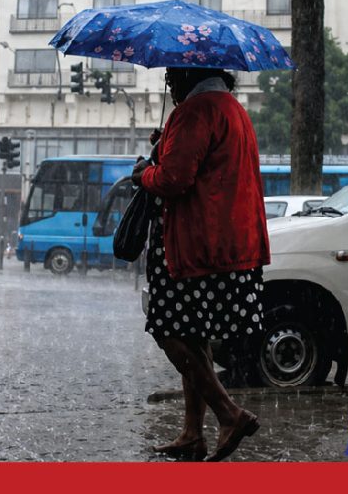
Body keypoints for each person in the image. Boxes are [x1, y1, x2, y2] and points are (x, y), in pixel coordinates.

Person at [131, 67, 269, 462]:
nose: (170, 86)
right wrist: (167, 146)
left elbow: (173, 180)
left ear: (189, 76)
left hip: (193, 244)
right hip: (229, 240)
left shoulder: (194, 111)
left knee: (168, 330)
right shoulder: (232, 109)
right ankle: (192, 434)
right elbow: (206, 167)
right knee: (194, 334)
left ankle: (229, 414)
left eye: (172, 78)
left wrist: (144, 173)